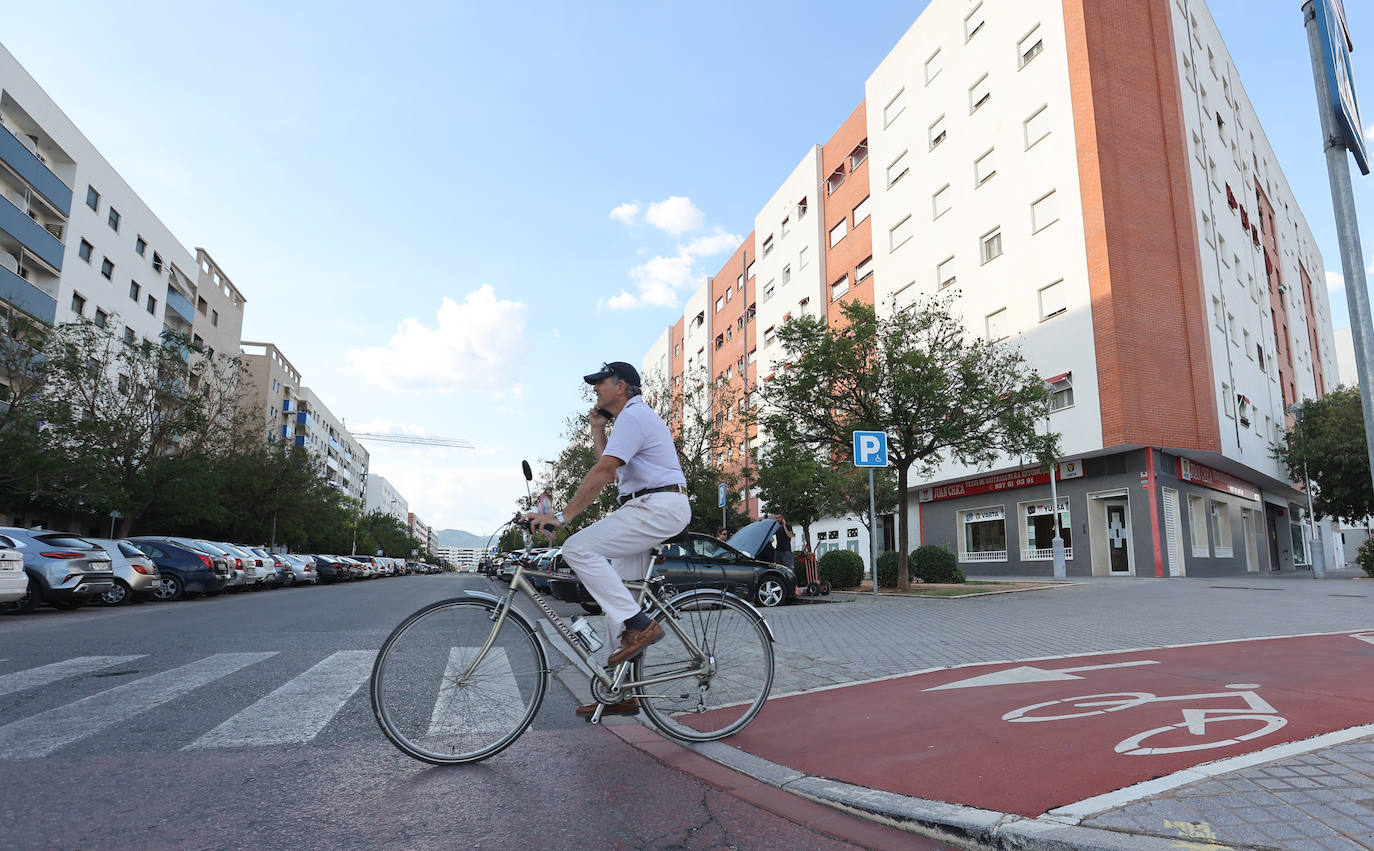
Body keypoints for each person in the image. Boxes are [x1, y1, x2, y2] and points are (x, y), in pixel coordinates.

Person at [522, 361, 691, 718]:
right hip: (646, 507)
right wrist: (598, 428)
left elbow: (603, 471)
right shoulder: (628, 420)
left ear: (622, 386)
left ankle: (642, 626)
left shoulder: (635, 416)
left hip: (657, 506)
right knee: (620, 607)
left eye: (601, 382)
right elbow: (612, 470)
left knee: (577, 547)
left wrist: (563, 517)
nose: (595, 389)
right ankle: (623, 691)